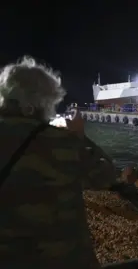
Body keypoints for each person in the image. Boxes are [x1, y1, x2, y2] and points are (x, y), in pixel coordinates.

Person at [0, 57, 118, 268]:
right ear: (37, 103)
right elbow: (106, 175)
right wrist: (81, 137)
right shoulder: (61, 142)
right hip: (62, 259)